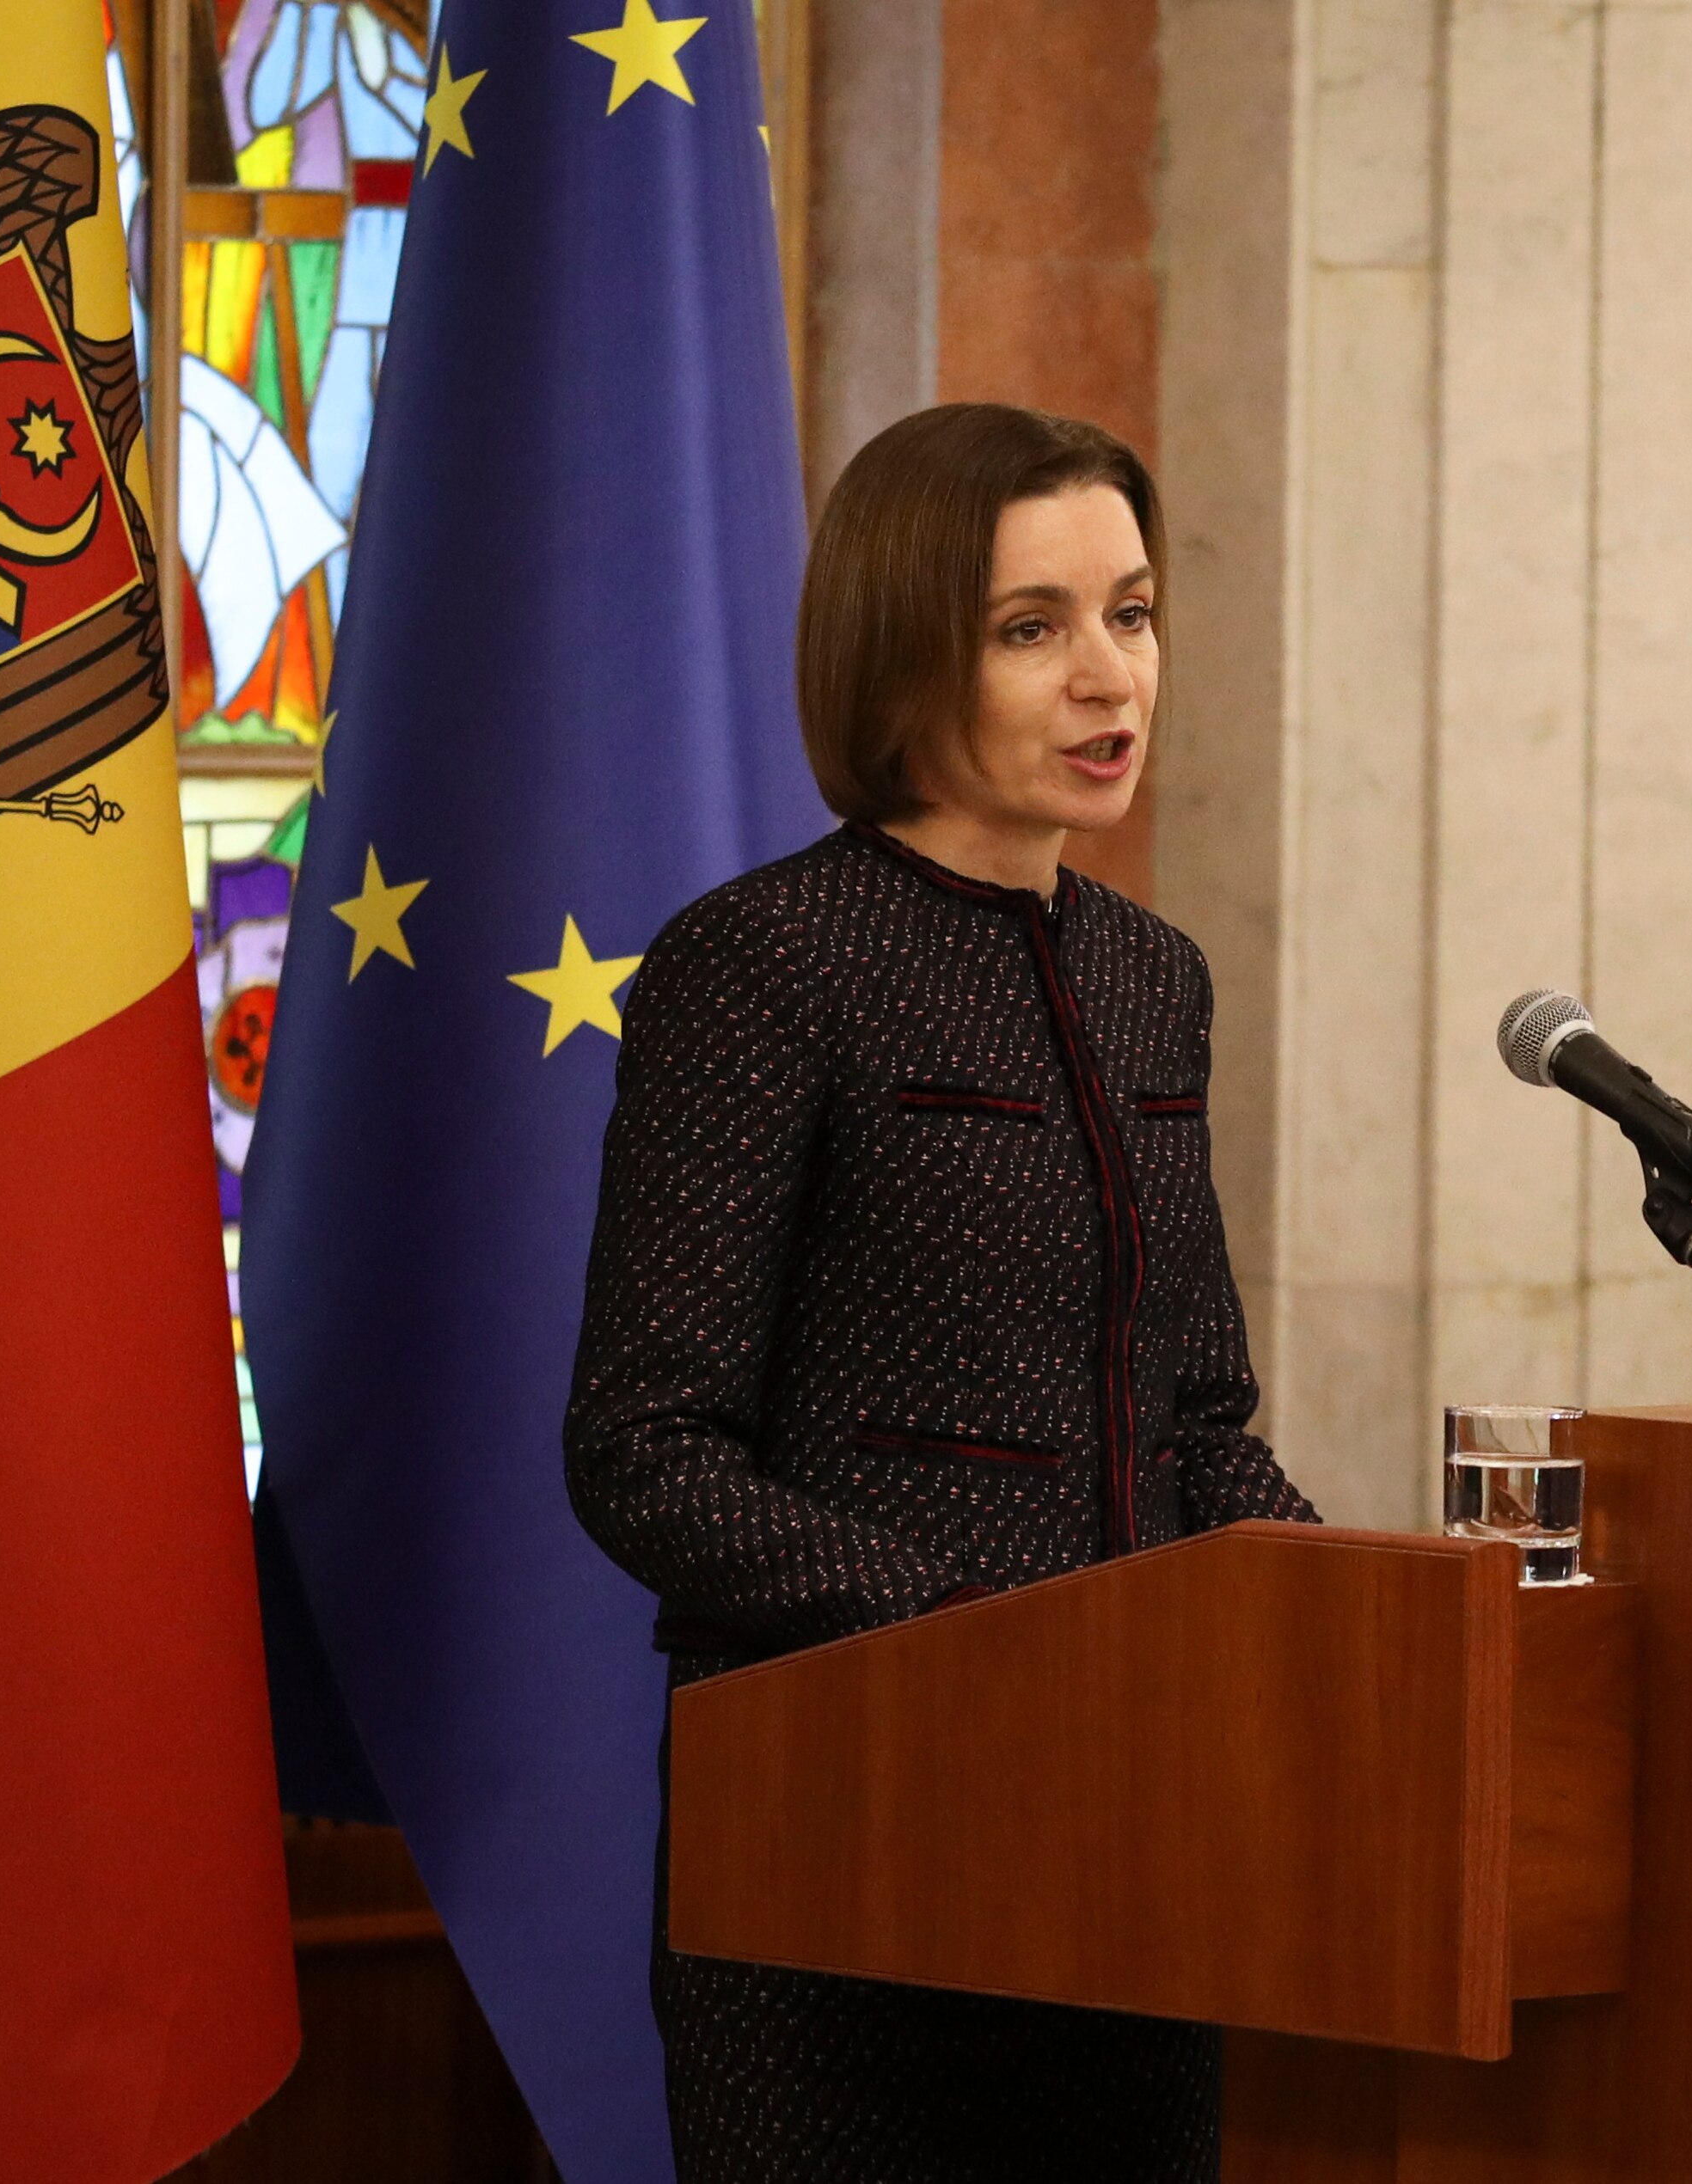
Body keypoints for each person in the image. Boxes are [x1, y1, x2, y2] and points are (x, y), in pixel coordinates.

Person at [563, 402, 1319, 2181]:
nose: (1108, 676)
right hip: (847, 1835)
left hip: (1137, 1838)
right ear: (904, 657)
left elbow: (1198, 1418)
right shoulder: (761, 961)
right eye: (1031, 628)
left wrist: (1351, 1608)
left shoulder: (1154, 978)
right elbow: (644, 1450)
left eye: (1132, 612)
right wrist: (973, 1638)